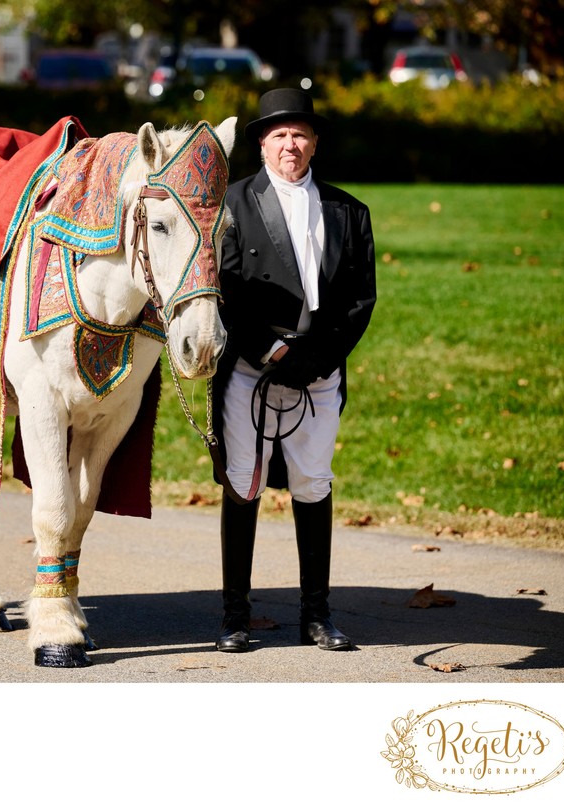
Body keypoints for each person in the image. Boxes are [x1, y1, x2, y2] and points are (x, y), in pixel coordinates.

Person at [212, 88, 376, 652]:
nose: (291, 144)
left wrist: (317, 359)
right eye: (279, 134)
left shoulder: (351, 212)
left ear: (315, 142)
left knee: (312, 482)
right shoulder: (231, 205)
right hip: (251, 368)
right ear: (261, 142)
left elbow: (360, 300)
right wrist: (272, 353)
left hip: (320, 369)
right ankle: (235, 617)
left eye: (301, 134)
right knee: (243, 482)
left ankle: (317, 616)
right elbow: (223, 291)